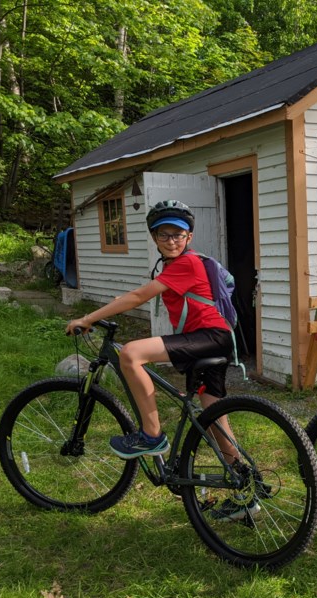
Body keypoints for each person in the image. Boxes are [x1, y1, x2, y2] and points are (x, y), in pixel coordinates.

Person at [65, 200, 254, 521]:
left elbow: (139, 297)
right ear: (154, 237)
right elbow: (140, 293)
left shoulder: (186, 264)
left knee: (131, 353)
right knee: (214, 416)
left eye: (178, 235)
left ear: (189, 237)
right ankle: (246, 488)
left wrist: (88, 317)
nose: (171, 240)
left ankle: (152, 436)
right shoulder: (175, 266)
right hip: (218, 338)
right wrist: (113, 305)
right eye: (163, 234)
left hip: (209, 336)